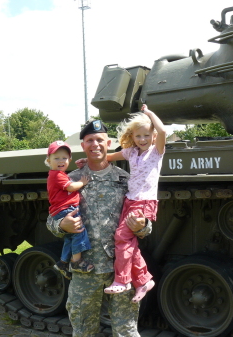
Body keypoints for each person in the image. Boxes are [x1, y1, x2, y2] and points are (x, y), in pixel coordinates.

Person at [46, 120, 152, 337]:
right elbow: (51, 219)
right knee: (84, 330)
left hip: (120, 271)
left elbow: (144, 219)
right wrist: (61, 225)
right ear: (83, 146)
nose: (95, 144)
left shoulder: (126, 180)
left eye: (100, 140)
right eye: (89, 140)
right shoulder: (71, 179)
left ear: (109, 143)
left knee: (126, 331)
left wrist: (143, 226)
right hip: (86, 270)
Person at [101, 103, 166, 303]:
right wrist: (89, 162)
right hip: (130, 200)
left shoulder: (156, 151)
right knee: (129, 243)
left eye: (147, 135)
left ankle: (122, 280)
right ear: (133, 137)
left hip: (144, 201)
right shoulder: (131, 152)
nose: (143, 139)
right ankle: (143, 280)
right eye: (138, 136)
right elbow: (109, 157)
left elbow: (163, 130)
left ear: (153, 136)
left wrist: (148, 113)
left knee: (121, 237)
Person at [45, 140, 93, 280]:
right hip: (66, 209)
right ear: (49, 160)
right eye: (56, 158)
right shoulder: (57, 175)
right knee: (79, 232)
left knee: (70, 237)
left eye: (64, 158)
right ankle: (76, 262)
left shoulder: (60, 174)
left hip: (63, 209)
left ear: (70, 159)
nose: (61, 161)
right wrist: (82, 183)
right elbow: (71, 187)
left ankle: (63, 262)